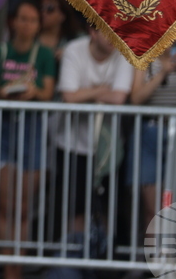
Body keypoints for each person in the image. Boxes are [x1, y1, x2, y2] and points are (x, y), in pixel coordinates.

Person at [0, 0, 56, 279]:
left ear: (39, 25)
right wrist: (4, 91)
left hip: (33, 130)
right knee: (4, 204)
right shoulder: (0, 52)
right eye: (22, 19)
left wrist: (33, 92)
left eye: (32, 20)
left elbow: (48, 92)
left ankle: (17, 269)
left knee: (24, 206)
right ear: (13, 22)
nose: (26, 25)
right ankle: (7, 270)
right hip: (4, 127)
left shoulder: (45, 54)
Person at [53, 27, 134, 235]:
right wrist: (101, 90)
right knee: (74, 207)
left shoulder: (124, 52)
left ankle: (102, 258)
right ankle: (74, 254)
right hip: (72, 144)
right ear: (92, 32)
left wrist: (84, 93)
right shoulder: (74, 50)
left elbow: (118, 98)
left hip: (109, 150)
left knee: (107, 205)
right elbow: (69, 97)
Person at [128, 28, 176, 236]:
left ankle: (172, 265)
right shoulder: (143, 58)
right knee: (152, 210)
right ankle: (153, 264)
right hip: (150, 133)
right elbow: (136, 98)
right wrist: (162, 72)